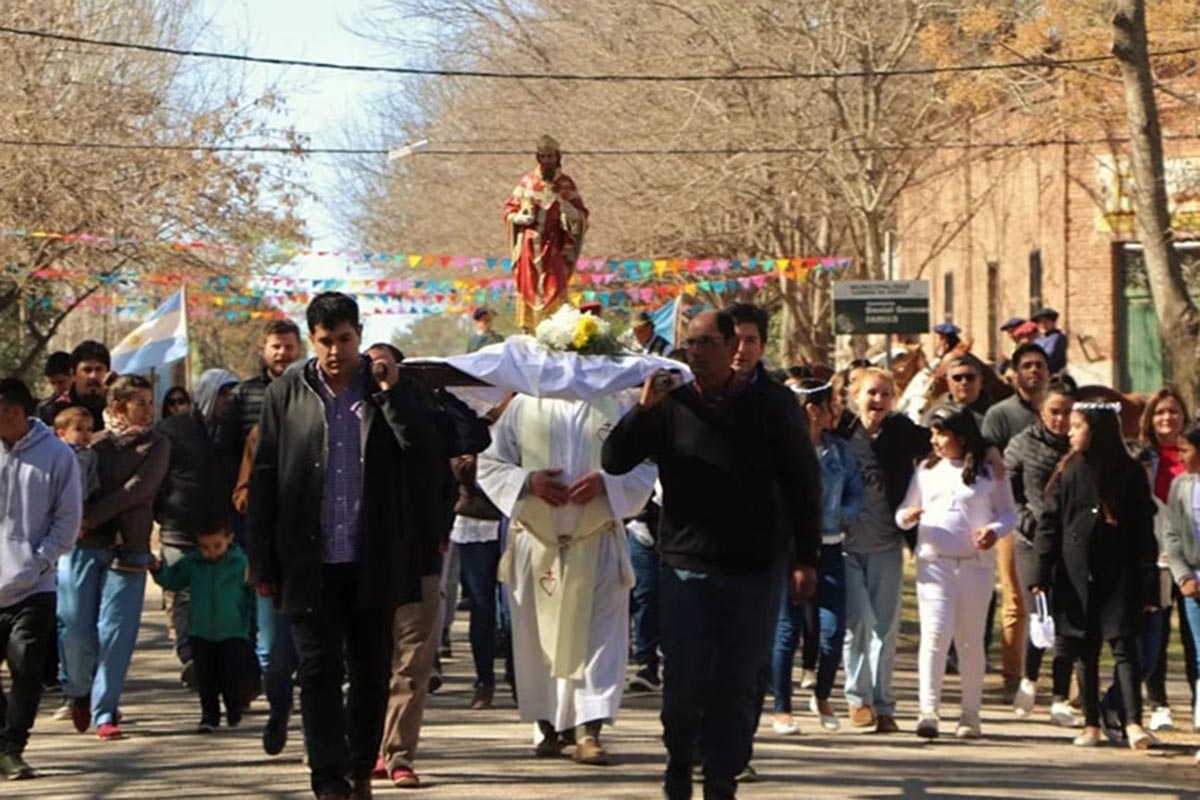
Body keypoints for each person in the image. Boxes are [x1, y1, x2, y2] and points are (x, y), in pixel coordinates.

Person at [601, 309, 821, 800]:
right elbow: (613, 460)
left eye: (704, 343)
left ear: (729, 347)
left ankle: (722, 776)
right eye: (689, 343)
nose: (694, 352)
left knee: (740, 679)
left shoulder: (773, 403)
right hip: (686, 565)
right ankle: (680, 759)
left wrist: (806, 557)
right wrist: (642, 409)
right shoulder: (669, 401)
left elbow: (804, 482)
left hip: (755, 566)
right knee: (683, 680)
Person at [248, 293, 451, 800]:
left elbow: (425, 458)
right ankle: (328, 777)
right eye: (324, 341)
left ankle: (361, 768)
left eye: (344, 339)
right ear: (311, 340)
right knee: (316, 671)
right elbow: (266, 475)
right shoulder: (287, 393)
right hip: (308, 558)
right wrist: (262, 558)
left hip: (373, 559)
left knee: (370, 671)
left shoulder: (389, 389)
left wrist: (392, 394)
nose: (335, 351)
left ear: (359, 334)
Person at [477, 381, 657, 766]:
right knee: (536, 636)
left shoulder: (618, 405)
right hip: (537, 538)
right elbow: (490, 464)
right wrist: (529, 481)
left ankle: (589, 730)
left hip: (597, 537)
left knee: (599, 636)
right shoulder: (523, 406)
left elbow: (645, 468)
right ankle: (547, 726)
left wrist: (606, 484)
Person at [1033, 402, 1158, 750]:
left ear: (1098, 431)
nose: (1070, 432)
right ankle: (1091, 724)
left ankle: (1133, 721)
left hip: (1119, 574)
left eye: (1077, 427)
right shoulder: (1067, 470)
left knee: (1123, 646)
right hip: (1076, 575)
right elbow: (1049, 523)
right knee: (1084, 650)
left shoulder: (1129, 473)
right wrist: (1040, 572)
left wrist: (1147, 581)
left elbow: (1143, 531)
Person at [58, 374, 170, 740]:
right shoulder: (93, 443)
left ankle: (105, 711)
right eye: (141, 402)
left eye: (150, 402)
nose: (148, 410)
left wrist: (89, 517)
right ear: (118, 406)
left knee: (116, 633)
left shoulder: (156, 445)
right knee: (74, 625)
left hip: (129, 548)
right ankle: (78, 689)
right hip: (84, 546)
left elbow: (138, 490)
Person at [897, 405, 1017, 739]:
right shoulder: (926, 469)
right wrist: (907, 517)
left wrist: (993, 529)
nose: (935, 440)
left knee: (969, 640)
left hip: (975, 568)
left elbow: (1009, 515)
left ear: (961, 437)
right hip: (935, 564)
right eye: (933, 433)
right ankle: (928, 710)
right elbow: (904, 509)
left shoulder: (988, 472)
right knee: (936, 635)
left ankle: (970, 714)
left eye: (942, 433)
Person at [363, 342, 449, 790]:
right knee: (367, 662)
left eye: (386, 363)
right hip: (363, 557)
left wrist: (391, 393)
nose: (377, 369)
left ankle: (397, 754)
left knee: (412, 664)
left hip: (416, 556)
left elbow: (426, 457)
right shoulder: (344, 410)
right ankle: (363, 746)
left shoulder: (416, 406)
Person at [216, 318, 302, 754]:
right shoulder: (247, 410)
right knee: (274, 649)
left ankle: (323, 732)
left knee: (319, 651)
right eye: (276, 346)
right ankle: (279, 709)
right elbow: (235, 478)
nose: (283, 354)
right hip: (267, 550)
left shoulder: (332, 421)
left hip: (323, 552)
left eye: (290, 346)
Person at [840, 367, 930, 734]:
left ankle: (884, 702)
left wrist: (985, 450)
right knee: (857, 622)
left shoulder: (901, 431)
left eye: (885, 394)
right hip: (846, 545)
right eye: (871, 393)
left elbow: (943, 438)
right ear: (855, 396)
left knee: (884, 627)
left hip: (887, 545)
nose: (877, 401)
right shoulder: (842, 431)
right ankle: (857, 699)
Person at [0, 378, 81, 780]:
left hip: (34, 584)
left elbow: (68, 516)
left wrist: (41, 560)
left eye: (6, 413)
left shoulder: (56, 455)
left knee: (26, 665)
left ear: (20, 412)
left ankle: (14, 746)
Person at [772, 378, 863, 735]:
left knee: (833, 629)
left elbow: (856, 492)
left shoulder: (840, 450)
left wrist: (844, 512)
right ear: (813, 410)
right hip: (789, 550)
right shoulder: (783, 451)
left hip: (829, 547)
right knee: (786, 630)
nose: (836, 413)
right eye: (830, 406)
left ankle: (822, 694)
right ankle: (782, 708)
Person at [155, 369, 238, 686]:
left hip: (220, 532)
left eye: (232, 395)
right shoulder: (175, 429)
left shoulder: (232, 432)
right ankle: (191, 658)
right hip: (179, 527)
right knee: (182, 596)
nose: (228, 402)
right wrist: (164, 512)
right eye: (223, 394)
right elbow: (157, 477)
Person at [1005, 380, 1079, 726]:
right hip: (1032, 542)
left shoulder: (1081, 446)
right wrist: (1025, 519)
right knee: (1041, 615)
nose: (1061, 420)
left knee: (1069, 619)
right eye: (1054, 412)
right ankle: (1029, 679)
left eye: (1067, 413)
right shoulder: (1022, 445)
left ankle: (1061, 696)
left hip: (1071, 544)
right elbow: (1007, 489)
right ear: (1041, 411)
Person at [982, 342, 1050, 697]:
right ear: (1015, 373)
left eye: (1040, 365)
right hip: (1012, 516)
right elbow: (991, 465)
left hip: (1056, 522)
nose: (1034, 372)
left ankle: (1053, 675)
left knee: (1053, 601)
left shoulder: (1060, 410)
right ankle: (1013, 674)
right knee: (1015, 599)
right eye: (1027, 366)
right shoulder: (1001, 415)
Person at [151, 526, 254, 732]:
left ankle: (234, 709)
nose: (211, 552)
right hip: (201, 630)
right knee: (206, 677)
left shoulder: (241, 563)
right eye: (205, 547)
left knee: (230, 675)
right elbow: (174, 581)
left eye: (217, 546)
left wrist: (252, 623)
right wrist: (157, 570)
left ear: (229, 539)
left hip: (233, 631)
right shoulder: (193, 562)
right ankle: (209, 716)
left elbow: (252, 596)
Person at [503, 134, 589, 331]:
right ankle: (529, 329)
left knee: (555, 284)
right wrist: (517, 218)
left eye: (550, 156)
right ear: (537, 158)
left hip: (554, 245)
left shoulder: (566, 184)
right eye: (542, 157)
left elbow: (582, 215)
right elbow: (509, 209)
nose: (546, 161)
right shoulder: (527, 182)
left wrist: (572, 213)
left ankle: (554, 329)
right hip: (529, 246)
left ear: (557, 157)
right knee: (529, 285)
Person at [1162, 421, 1200, 754]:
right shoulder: (1180, 487)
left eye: (1186, 449)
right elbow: (1172, 536)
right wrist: (1184, 575)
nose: (1180, 456)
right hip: (1194, 585)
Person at [40, 341, 110, 431]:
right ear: (73, 373)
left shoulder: (117, 407)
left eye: (99, 369)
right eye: (87, 370)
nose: (93, 376)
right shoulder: (56, 411)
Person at [35, 351, 73, 422]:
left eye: (61, 382)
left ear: (73, 376)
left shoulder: (89, 402)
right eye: (53, 383)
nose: (57, 387)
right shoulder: (44, 409)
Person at [1032, 308, 1067, 374]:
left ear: (1053, 322)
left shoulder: (1057, 337)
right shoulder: (1037, 339)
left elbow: (1048, 356)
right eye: (1040, 322)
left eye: (1046, 321)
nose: (1043, 325)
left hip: (1052, 375)